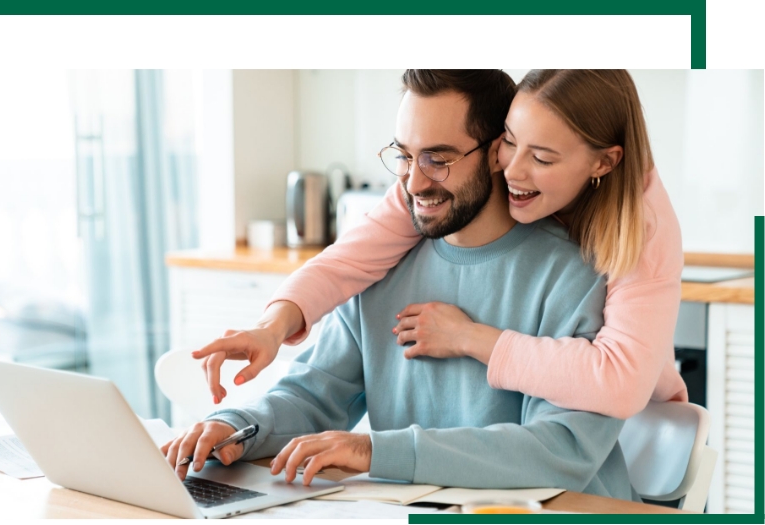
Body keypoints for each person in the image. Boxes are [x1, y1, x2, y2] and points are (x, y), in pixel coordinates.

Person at [162, 71, 636, 500]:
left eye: (438, 158)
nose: (413, 183)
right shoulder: (384, 262)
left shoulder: (574, 273)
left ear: (498, 152)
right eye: (405, 156)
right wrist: (236, 427)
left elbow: (558, 450)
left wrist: (375, 452)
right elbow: (314, 395)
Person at [193, 69, 687, 419]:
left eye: (541, 157)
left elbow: (620, 387)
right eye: (510, 143)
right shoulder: (429, 193)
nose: (512, 170)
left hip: (634, 428)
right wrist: (270, 329)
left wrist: (470, 338)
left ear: (603, 164)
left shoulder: (640, 232)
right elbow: (347, 260)